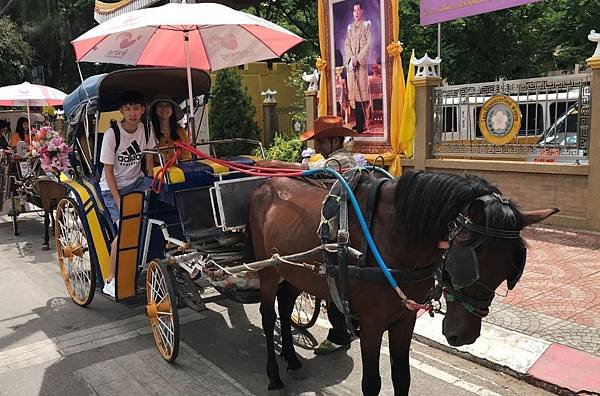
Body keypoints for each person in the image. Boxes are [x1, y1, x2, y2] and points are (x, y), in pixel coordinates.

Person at [256, 115, 358, 354]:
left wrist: (275, 164)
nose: (318, 148)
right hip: (343, 221)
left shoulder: (339, 162)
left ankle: (340, 333)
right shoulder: (344, 158)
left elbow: (308, 172)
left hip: (338, 225)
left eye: (321, 143)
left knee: (333, 278)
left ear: (333, 141)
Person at [100, 91, 156, 298]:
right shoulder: (112, 134)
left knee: (156, 219)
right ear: (122, 111)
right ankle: (111, 279)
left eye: (136, 108)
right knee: (124, 232)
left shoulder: (146, 129)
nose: (132, 113)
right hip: (112, 187)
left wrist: (151, 183)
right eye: (128, 109)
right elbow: (107, 171)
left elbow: (149, 160)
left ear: (143, 110)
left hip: (137, 182)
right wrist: (118, 200)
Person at [344, 1, 372, 133]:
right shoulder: (349, 28)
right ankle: (357, 123)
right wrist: (352, 58)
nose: (356, 13)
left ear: (362, 12)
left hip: (361, 66)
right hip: (352, 66)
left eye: (357, 10)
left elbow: (369, 45)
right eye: (354, 11)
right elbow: (346, 45)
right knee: (354, 95)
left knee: (361, 95)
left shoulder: (366, 26)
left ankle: (361, 125)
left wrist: (358, 59)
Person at [148, 94, 191, 162]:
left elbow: (186, 156)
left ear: (172, 110)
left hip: (179, 169)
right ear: (155, 109)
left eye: (167, 105)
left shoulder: (180, 131)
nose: (164, 108)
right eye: (160, 105)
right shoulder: (149, 131)